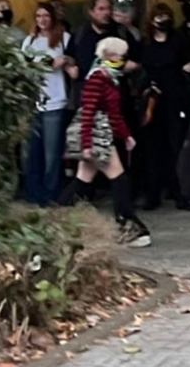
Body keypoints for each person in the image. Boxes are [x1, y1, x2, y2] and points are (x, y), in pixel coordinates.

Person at [60, 37, 151, 247]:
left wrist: (126, 136)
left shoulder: (108, 77)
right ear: (110, 56)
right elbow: (88, 112)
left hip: (98, 135)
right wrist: (87, 145)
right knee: (119, 179)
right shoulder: (99, 79)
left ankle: (57, 216)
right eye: (121, 56)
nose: (124, 60)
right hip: (96, 136)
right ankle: (129, 226)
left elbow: (113, 114)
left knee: (82, 181)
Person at [21, 3, 71, 206]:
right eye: (38, 15)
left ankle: (50, 193)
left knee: (52, 153)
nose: (42, 19)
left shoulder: (63, 39)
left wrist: (65, 60)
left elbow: (73, 62)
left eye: (46, 15)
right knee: (33, 152)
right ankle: (33, 193)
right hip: (33, 101)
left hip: (55, 101)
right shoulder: (29, 40)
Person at [140, 3, 186, 210]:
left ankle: (178, 192)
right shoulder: (145, 43)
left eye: (165, 16)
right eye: (158, 16)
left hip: (174, 98)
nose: (162, 20)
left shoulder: (178, 41)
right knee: (152, 149)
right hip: (152, 98)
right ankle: (152, 194)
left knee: (175, 146)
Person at [64, 0, 142, 106]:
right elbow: (69, 56)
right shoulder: (79, 34)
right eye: (101, 9)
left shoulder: (121, 32)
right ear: (91, 12)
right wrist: (70, 68)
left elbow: (138, 59)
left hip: (115, 99)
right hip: (85, 99)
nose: (106, 12)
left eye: (109, 8)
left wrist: (123, 66)